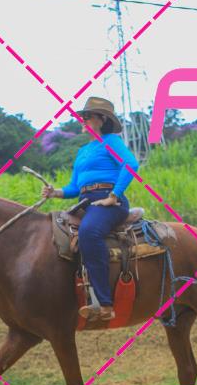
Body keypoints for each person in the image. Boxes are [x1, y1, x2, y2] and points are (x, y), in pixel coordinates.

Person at [42, 97, 139, 321]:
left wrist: (113, 196)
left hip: (109, 201)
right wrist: (55, 192)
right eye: (81, 117)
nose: (82, 120)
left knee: (89, 232)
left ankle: (104, 303)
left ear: (102, 119)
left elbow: (131, 164)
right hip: (85, 202)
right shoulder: (83, 151)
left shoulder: (111, 141)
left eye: (87, 116)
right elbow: (75, 187)